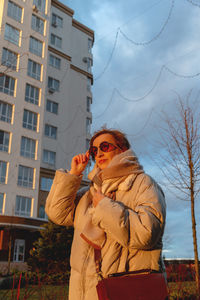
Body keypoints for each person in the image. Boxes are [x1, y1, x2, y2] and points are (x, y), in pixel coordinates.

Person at [45, 128, 166, 300]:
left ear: (122, 149)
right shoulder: (89, 193)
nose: (99, 153)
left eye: (105, 146)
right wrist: (74, 174)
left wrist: (104, 206)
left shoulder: (142, 184)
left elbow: (147, 233)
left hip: (125, 291)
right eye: (94, 150)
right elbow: (57, 213)